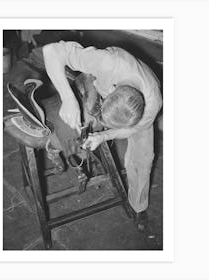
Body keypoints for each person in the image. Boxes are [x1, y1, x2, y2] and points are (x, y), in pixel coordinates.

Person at [39, 40, 162, 231]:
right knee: (79, 117)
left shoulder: (152, 103)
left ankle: (139, 205)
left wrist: (103, 136)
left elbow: (132, 129)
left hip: (136, 105)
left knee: (143, 158)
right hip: (100, 80)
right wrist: (67, 97)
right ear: (112, 90)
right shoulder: (106, 62)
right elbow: (51, 50)